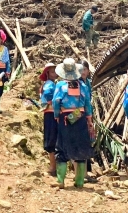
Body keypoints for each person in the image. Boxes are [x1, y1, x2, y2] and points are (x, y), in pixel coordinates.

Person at [52, 58, 95, 189]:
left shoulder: (60, 85)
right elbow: (88, 104)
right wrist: (89, 120)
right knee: (80, 147)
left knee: (62, 147)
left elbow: (55, 102)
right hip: (80, 116)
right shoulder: (82, 86)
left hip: (65, 116)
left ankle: (60, 181)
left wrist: (56, 115)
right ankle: (80, 181)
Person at [40, 63, 58, 176]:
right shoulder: (49, 85)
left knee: (52, 139)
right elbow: (48, 96)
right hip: (51, 113)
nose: (54, 74)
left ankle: (53, 167)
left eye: (55, 71)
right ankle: (53, 167)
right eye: (52, 72)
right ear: (47, 73)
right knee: (52, 140)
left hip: (52, 113)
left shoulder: (52, 84)